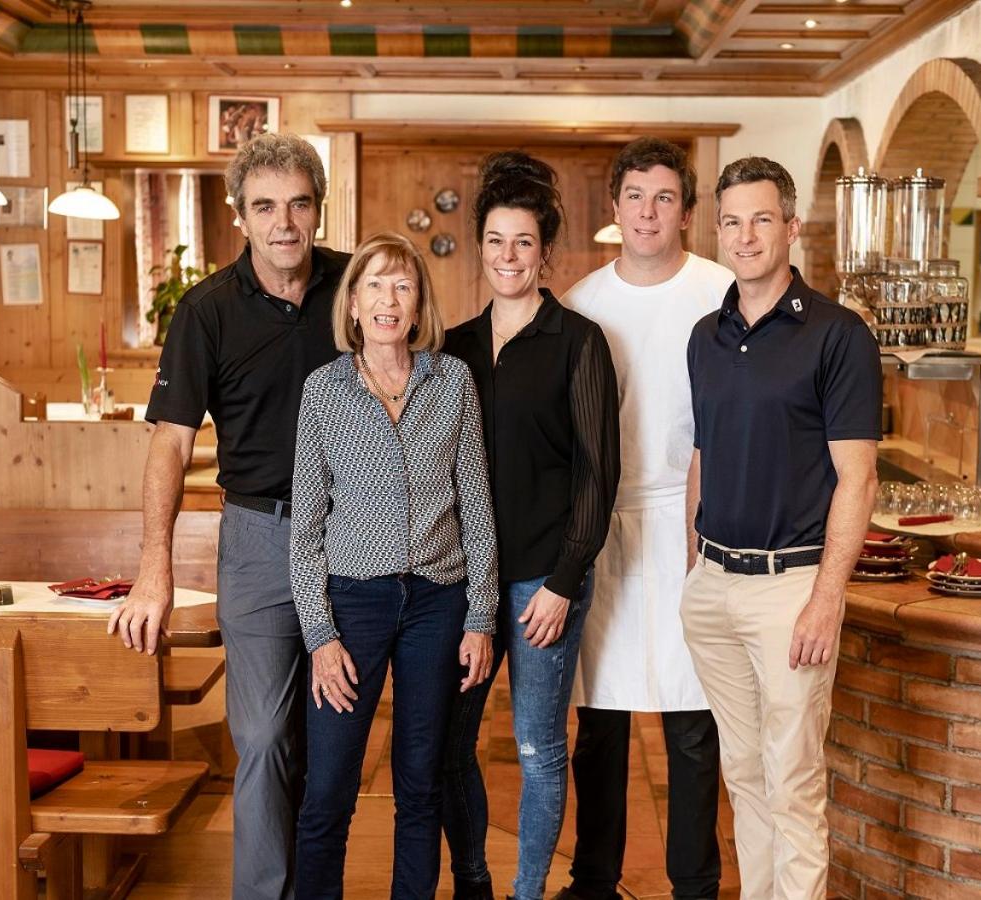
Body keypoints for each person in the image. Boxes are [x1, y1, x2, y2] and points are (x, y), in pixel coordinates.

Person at [107, 133, 345, 900]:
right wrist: (154, 570)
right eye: (265, 207)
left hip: (356, 539)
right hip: (260, 540)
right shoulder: (205, 311)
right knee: (266, 736)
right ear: (239, 215)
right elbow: (170, 445)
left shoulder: (356, 288)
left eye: (298, 204)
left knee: (333, 741)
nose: (284, 223)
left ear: (319, 208)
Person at [681, 157, 880, 900]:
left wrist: (827, 599)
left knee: (792, 782)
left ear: (791, 227)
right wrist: (694, 569)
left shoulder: (838, 335)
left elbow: (859, 479)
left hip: (790, 589)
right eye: (732, 221)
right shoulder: (705, 336)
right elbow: (702, 455)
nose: (746, 235)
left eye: (762, 219)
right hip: (715, 586)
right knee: (743, 774)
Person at [290, 231, 499, 900]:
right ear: (353, 304)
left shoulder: (453, 381)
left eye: (402, 286)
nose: (388, 299)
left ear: (417, 307)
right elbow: (305, 529)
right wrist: (320, 638)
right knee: (329, 788)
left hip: (438, 604)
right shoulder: (323, 391)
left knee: (420, 783)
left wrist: (481, 617)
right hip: (353, 605)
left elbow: (477, 505)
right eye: (375, 285)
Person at [442, 152, 621, 900]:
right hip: (463, 584)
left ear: (545, 253)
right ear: (480, 248)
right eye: (495, 240)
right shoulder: (451, 347)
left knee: (538, 748)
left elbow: (597, 474)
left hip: (544, 580)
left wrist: (563, 582)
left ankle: (527, 894)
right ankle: (475, 882)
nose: (508, 256)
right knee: (451, 745)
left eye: (523, 242)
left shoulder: (579, 342)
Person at [557, 137, 730, 900]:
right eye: (635, 197)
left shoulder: (723, 292)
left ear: (687, 211)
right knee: (600, 723)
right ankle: (594, 881)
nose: (648, 212)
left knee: (694, 723)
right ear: (615, 207)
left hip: (699, 523)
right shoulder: (582, 304)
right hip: (608, 527)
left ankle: (695, 884)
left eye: (664, 198)